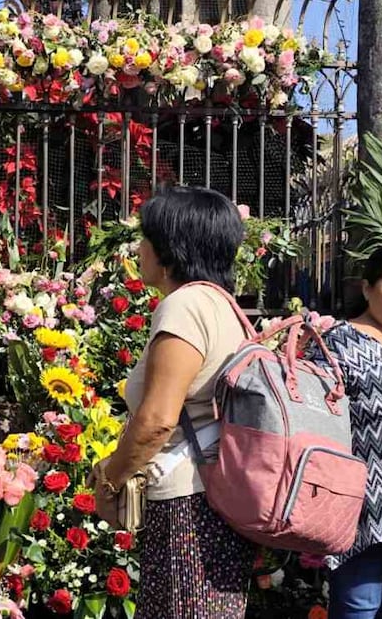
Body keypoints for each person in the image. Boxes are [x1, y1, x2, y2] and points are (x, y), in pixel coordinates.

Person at [88, 187, 255, 618]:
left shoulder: (184, 305)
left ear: (171, 246)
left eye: (146, 236)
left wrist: (109, 481)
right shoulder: (223, 305)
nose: (139, 248)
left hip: (187, 506)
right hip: (214, 498)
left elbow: (158, 420)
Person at [310, 245, 382, 619]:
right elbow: (313, 420)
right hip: (361, 507)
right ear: (368, 289)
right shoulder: (338, 342)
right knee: (358, 607)